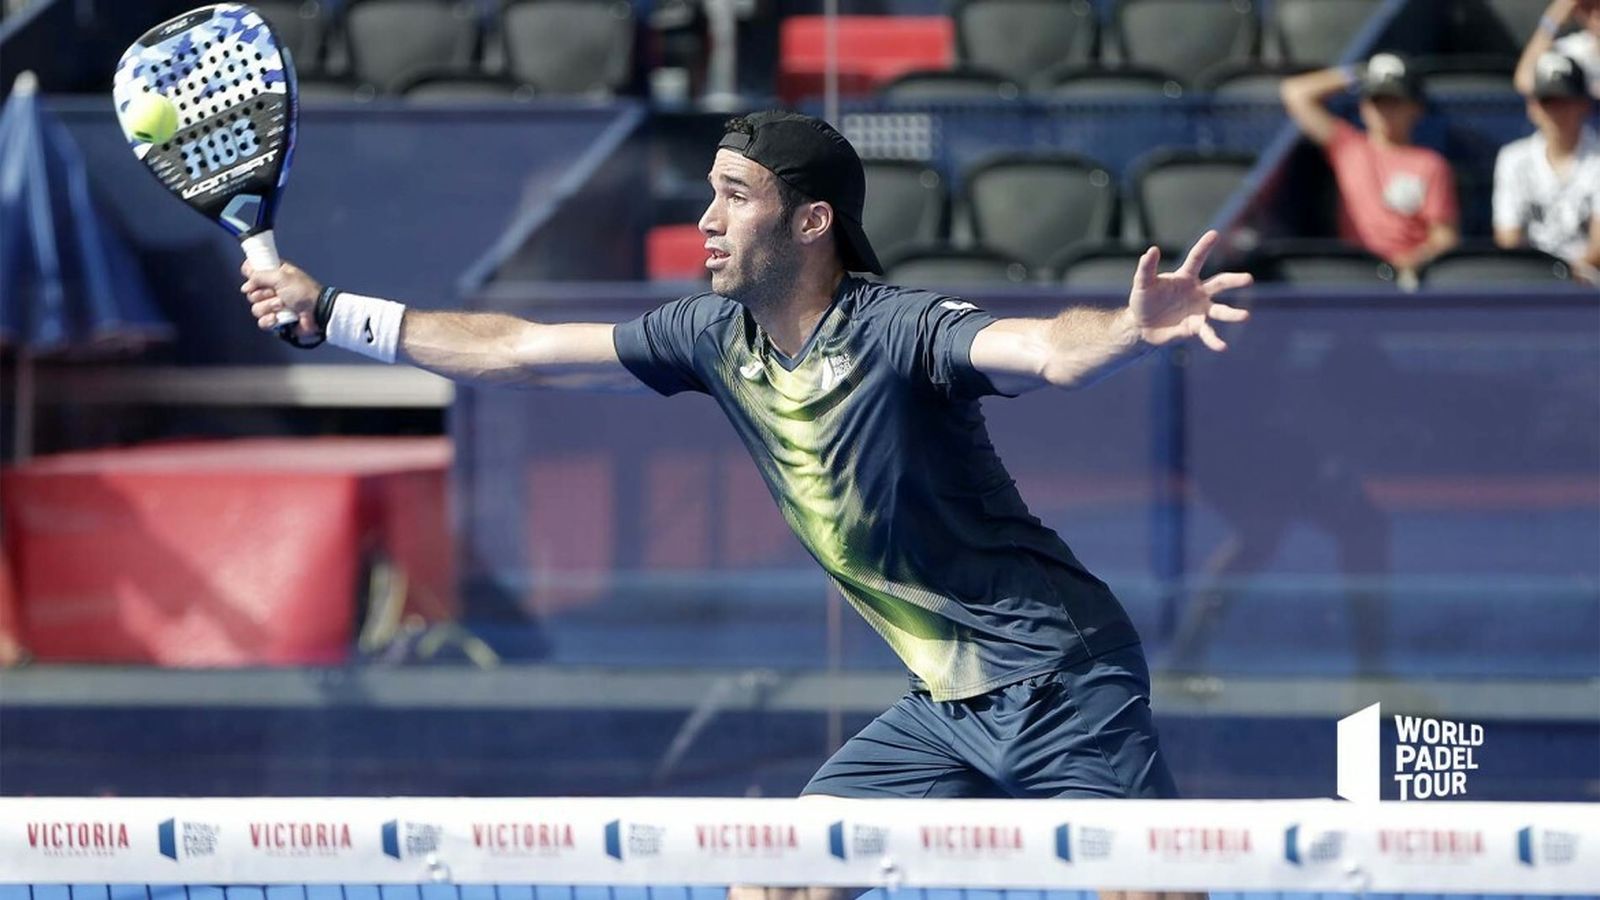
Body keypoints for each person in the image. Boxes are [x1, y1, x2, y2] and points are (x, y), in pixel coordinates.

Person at [241, 111, 1250, 900]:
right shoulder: (710, 337)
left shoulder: (898, 332)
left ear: (811, 221)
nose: (705, 222)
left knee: (1149, 893)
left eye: (732, 197)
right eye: (705, 197)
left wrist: (1123, 328)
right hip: (940, 711)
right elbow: (514, 348)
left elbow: (1039, 351)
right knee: (772, 884)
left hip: (1058, 676)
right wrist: (331, 312)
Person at [1280, 53, 1460, 284]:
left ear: (1416, 108)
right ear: (1363, 107)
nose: (1384, 111)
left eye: (1394, 102)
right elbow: (1295, 93)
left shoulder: (1431, 164)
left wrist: (1403, 265)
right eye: (1377, 101)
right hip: (1354, 271)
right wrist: (1358, 74)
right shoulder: (1347, 147)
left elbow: (1444, 238)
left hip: (1409, 277)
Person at [1495, 51, 1600, 282]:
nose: (1555, 112)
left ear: (1584, 105)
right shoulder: (1512, 159)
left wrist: (1566, 275)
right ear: (1532, 107)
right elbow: (1508, 238)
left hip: (1590, 285)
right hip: (1529, 282)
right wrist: (1542, 276)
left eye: (1565, 101)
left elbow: (1598, 245)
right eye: (1547, 102)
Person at [1515, 0, 1600, 99]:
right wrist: (1555, 16)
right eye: (1588, 7)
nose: (1596, 13)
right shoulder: (1572, 50)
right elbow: (1526, 82)